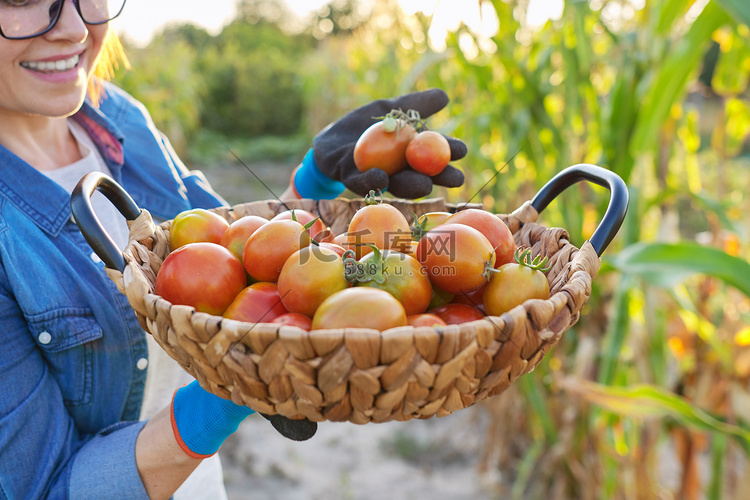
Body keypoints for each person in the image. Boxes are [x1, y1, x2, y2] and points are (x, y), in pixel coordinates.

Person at [0, 1, 467, 499]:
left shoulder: (118, 116)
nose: (74, 28)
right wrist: (227, 393)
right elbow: (42, 488)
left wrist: (315, 180)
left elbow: (238, 263)